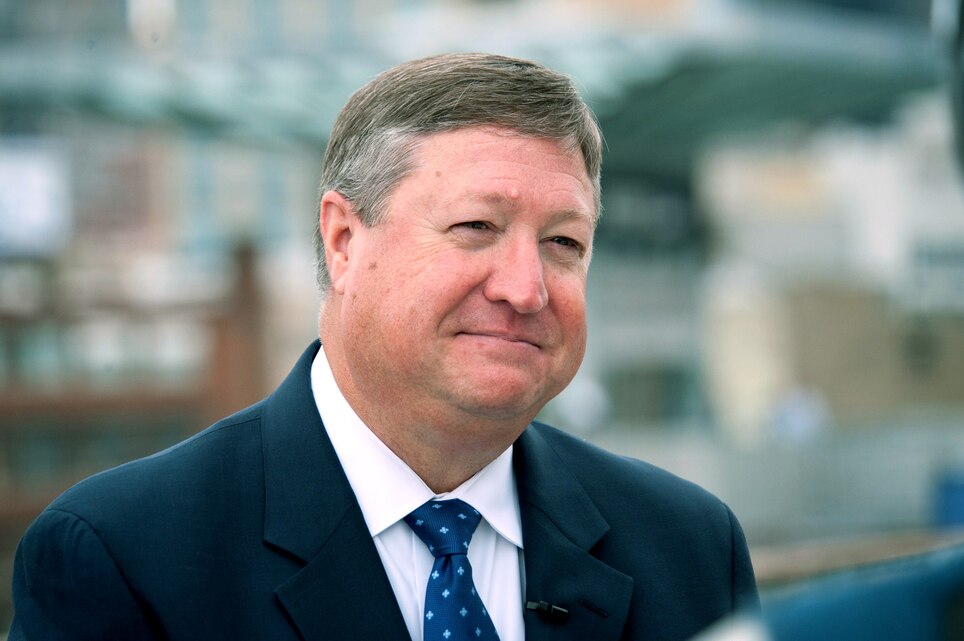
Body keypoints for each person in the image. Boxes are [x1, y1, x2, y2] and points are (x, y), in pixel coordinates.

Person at [10, 52, 758, 641]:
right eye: (477, 228)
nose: (526, 288)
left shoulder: (690, 548)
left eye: (565, 242)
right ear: (343, 241)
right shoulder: (123, 558)